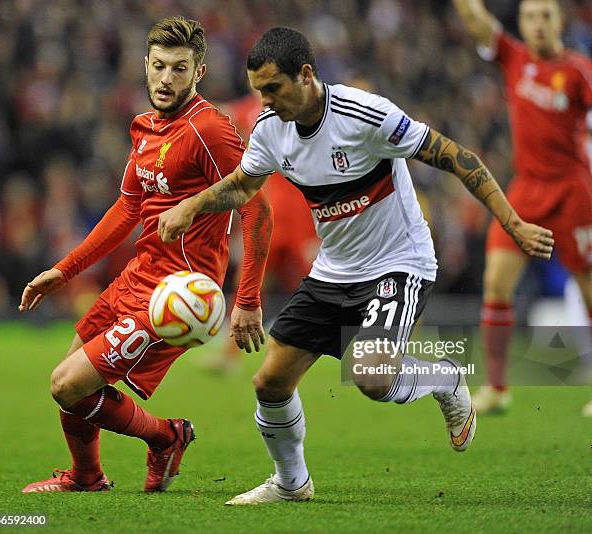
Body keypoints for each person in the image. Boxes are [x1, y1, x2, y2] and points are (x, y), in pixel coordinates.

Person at [157, 27, 554, 504]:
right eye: (258, 90)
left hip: (399, 263)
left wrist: (512, 223)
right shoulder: (269, 129)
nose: (264, 100)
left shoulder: (365, 115)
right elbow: (243, 186)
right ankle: (291, 483)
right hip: (334, 270)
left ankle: (445, 378)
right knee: (270, 382)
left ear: (305, 75)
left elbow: (457, 157)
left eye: (273, 89)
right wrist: (191, 206)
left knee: (371, 377)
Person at [18, 16, 272, 493]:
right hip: (139, 275)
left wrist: (249, 298)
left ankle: (167, 436)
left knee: (66, 385)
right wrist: (64, 269)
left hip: (179, 294)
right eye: (158, 66)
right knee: (73, 379)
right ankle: (88, 476)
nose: (166, 78)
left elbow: (258, 210)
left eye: (179, 68)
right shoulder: (146, 126)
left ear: (199, 72)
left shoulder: (210, 131)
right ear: (145, 66)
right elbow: (129, 207)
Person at [452, 0, 592, 414]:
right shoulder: (513, 58)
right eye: (530, 17)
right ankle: (497, 389)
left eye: (546, 16)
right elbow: (477, 21)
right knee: (496, 282)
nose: (538, 25)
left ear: (559, 21)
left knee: (587, 290)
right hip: (526, 191)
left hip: (572, 192)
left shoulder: (579, 71)